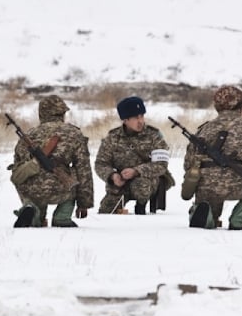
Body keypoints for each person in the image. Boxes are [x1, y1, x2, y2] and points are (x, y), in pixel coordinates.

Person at [182, 85, 242, 230]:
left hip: (206, 187)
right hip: (237, 185)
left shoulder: (204, 128)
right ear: (241, 106)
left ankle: (206, 214)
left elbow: (188, 164)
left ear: (216, 106)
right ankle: (239, 219)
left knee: (208, 202)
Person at [10, 95, 93, 227]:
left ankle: (32, 211)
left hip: (31, 191)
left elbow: (17, 167)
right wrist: (84, 203)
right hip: (61, 190)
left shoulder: (28, 135)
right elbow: (84, 170)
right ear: (63, 113)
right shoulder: (74, 134)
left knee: (24, 173)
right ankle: (62, 217)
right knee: (74, 173)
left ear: (41, 114)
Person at [94, 96, 172, 215]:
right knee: (106, 212)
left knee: (140, 185)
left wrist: (136, 171)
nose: (140, 121)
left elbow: (161, 165)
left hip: (146, 182)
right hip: (121, 183)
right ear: (125, 120)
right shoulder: (112, 137)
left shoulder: (154, 136)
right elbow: (101, 163)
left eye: (142, 116)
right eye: (136, 117)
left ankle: (141, 207)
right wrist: (112, 176)